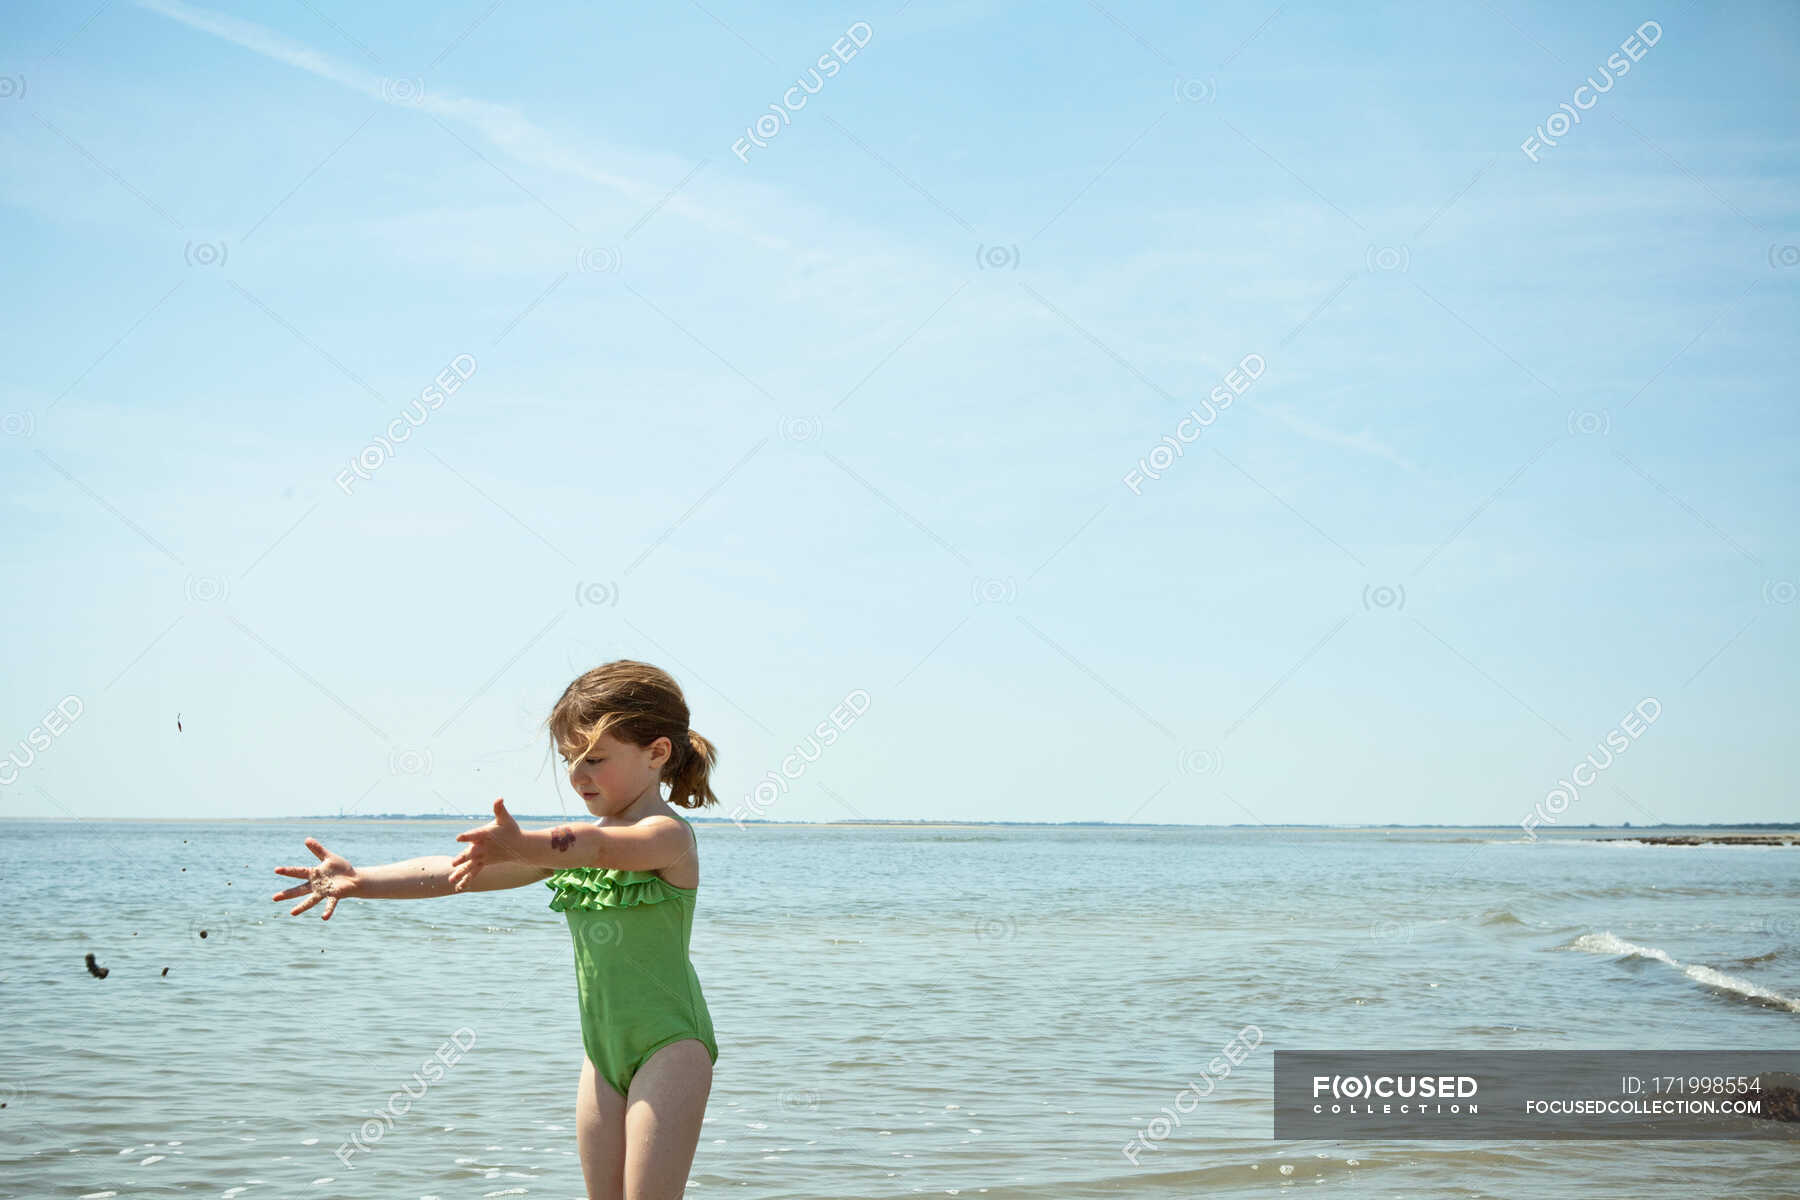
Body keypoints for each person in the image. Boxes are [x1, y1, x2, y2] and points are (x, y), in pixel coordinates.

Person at [271, 660, 722, 1200]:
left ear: (657, 753)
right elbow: (457, 873)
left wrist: (526, 844)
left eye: (595, 760)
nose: (578, 777)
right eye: (568, 761)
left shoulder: (666, 837)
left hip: (670, 1047)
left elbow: (596, 846)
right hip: (601, 1053)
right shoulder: (579, 845)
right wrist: (361, 879)